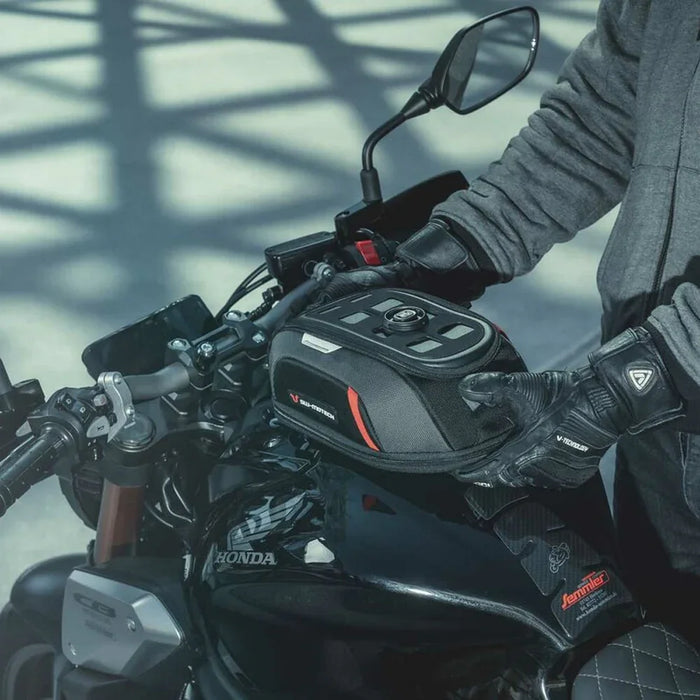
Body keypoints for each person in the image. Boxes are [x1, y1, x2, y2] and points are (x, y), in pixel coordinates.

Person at [321, 0, 700, 646]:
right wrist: (461, 244)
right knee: (658, 645)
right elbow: (601, 115)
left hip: (657, 374)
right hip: (657, 415)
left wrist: (651, 369)